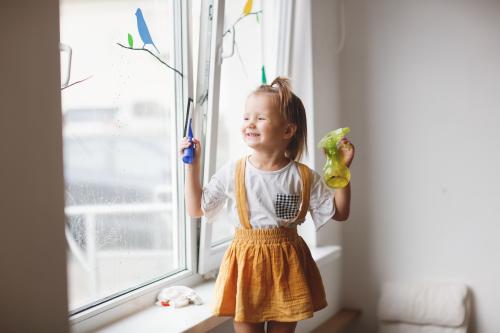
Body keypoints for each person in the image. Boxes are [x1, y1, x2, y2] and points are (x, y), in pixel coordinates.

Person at [179, 77, 355, 333]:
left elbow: (340, 213)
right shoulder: (233, 172)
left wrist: (340, 169)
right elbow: (196, 208)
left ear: (287, 131)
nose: (250, 123)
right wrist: (192, 166)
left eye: (260, 118)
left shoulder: (302, 177)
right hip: (246, 267)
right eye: (246, 117)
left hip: (288, 270)